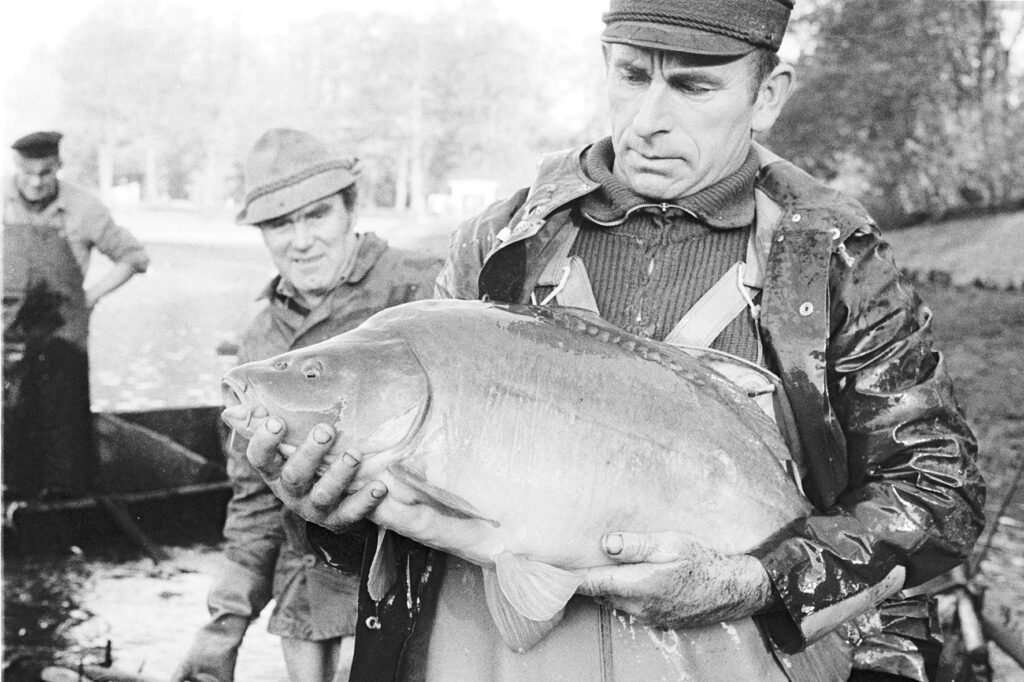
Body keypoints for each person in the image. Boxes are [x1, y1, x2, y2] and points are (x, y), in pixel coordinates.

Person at [242, 2, 987, 681]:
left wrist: (754, 581)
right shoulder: (501, 244)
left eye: (693, 88)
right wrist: (326, 516)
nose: (646, 121)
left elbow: (938, 492)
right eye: (631, 76)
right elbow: (411, 503)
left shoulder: (831, 258)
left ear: (768, 94)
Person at [171, 128, 442, 682]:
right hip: (304, 605)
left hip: (411, 586)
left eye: (316, 215)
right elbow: (253, 501)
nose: (300, 241)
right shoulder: (260, 344)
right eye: (279, 224)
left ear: (349, 209)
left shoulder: (425, 289)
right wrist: (224, 625)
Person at [2, 130, 150, 501]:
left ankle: (65, 512)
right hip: (10, 336)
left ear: (58, 168)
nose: (36, 182)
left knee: (64, 435)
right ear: (16, 167)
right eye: (28, 173)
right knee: (13, 424)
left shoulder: (84, 208)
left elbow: (134, 258)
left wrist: (90, 296)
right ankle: (16, 504)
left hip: (62, 337)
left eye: (46, 172)